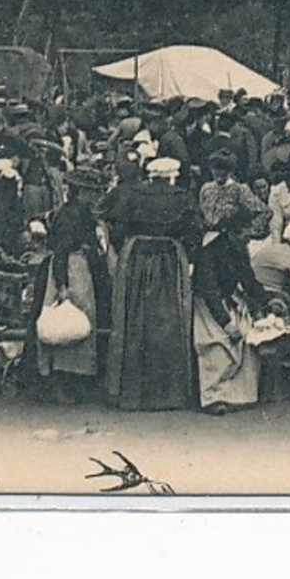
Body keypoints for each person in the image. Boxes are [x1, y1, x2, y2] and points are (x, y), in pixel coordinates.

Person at [103, 156, 198, 411]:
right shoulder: (181, 196)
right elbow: (193, 230)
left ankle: (132, 393)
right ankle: (169, 394)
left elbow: (118, 227)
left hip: (137, 258)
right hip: (168, 259)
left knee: (134, 319)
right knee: (168, 321)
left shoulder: (134, 194)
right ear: (171, 176)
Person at [29, 168, 105, 400]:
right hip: (70, 269)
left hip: (78, 267)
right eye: (91, 192)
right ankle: (60, 381)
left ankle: (72, 378)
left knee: (78, 320)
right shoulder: (70, 214)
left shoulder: (79, 212)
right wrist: (62, 285)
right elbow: (61, 249)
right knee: (69, 319)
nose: (95, 197)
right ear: (81, 192)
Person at [191, 229, 272, 415]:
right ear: (231, 233)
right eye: (243, 234)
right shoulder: (209, 254)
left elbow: (249, 281)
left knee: (246, 338)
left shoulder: (240, 250)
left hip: (227, 300)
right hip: (206, 305)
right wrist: (226, 322)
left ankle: (237, 396)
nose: (246, 239)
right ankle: (213, 397)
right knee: (217, 345)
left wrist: (268, 302)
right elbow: (209, 291)